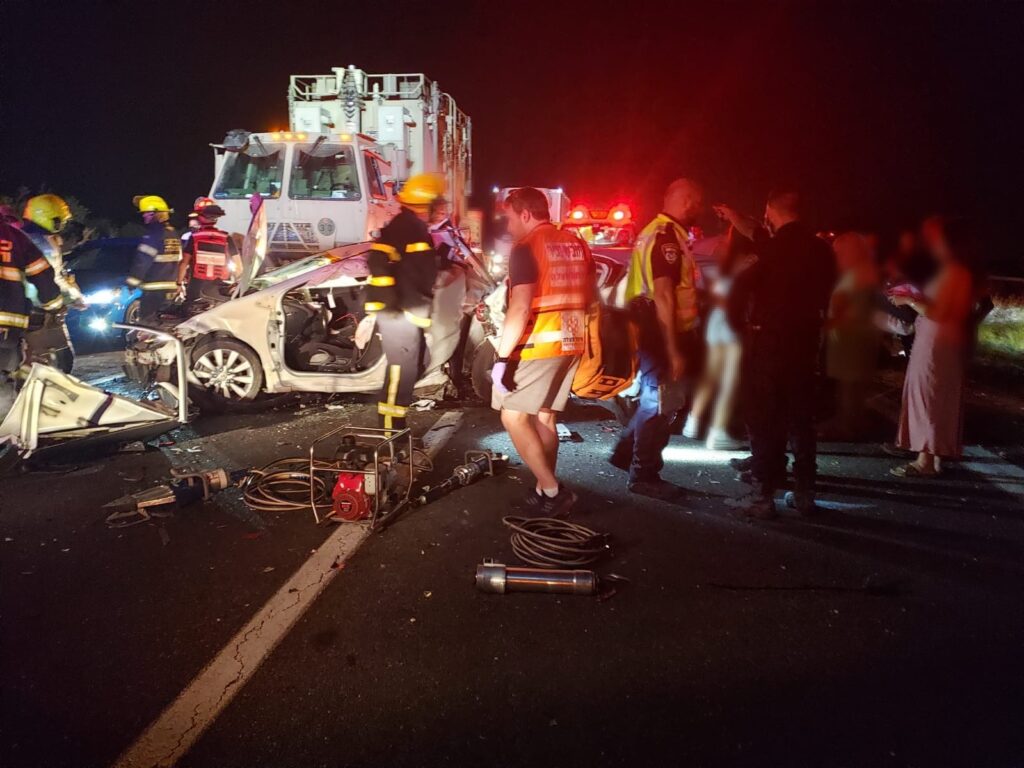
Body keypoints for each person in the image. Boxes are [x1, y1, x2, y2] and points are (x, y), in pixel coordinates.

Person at [714, 189, 836, 518]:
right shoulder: (822, 250)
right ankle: (805, 492)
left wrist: (738, 327)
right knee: (802, 420)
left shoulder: (768, 250)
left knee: (765, 419)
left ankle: (761, 495)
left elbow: (738, 289)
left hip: (768, 344)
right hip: (806, 345)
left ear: (770, 213)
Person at [491, 187, 593, 516]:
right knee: (545, 415)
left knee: (512, 415)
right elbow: (591, 292)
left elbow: (520, 307)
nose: (507, 226)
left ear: (525, 214)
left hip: (540, 342)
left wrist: (502, 358)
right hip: (572, 339)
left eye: (509, 218)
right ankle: (543, 489)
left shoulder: (526, 247)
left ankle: (553, 490)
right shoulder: (576, 242)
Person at [610, 178, 704, 500]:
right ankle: (644, 475)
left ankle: (626, 454)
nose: (700, 209)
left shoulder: (658, 231)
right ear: (687, 201)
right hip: (662, 332)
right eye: (697, 202)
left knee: (655, 398)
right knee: (660, 403)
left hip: (653, 329)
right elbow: (663, 294)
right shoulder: (666, 237)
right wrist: (674, 349)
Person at [888, 217, 980, 477]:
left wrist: (908, 300)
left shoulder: (954, 272)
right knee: (938, 395)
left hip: (936, 343)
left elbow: (939, 312)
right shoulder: (958, 271)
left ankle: (925, 460)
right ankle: (935, 455)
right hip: (941, 341)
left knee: (929, 396)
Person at [364, 173, 444, 432]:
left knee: (416, 365)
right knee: (400, 373)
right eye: (437, 204)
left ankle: (395, 428)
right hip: (398, 314)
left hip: (405, 313)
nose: (440, 209)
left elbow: (414, 266)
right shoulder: (405, 226)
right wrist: (391, 304)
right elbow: (377, 260)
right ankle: (390, 432)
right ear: (425, 204)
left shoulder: (414, 227)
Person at [682, 227, 752, 450]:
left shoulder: (721, 255)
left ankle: (693, 422)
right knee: (729, 381)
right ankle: (718, 432)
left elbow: (713, 292)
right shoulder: (749, 260)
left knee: (710, 377)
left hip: (715, 324)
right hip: (731, 325)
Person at [0, 220, 64, 413]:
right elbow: (42, 275)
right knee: (3, 379)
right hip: (6, 328)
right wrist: (55, 305)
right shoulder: (13, 237)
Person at [823, 232, 881, 439]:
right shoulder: (863, 271)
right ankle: (850, 421)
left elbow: (846, 307)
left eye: (839, 252)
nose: (836, 256)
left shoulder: (857, 274)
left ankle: (847, 426)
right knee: (851, 386)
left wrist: (827, 324)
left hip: (852, 338)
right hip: (855, 337)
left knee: (849, 386)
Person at [127, 195, 182, 324]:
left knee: (147, 325)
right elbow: (179, 259)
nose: (143, 216)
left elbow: (142, 262)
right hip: (170, 290)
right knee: (164, 325)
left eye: (146, 213)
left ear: (154, 214)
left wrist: (131, 283)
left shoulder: (153, 235)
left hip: (153, 291)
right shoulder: (173, 234)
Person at [177, 197, 237, 311]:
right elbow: (239, 266)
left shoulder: (194, 237)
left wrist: (178, 284)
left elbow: (184, 263)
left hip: (196, 287)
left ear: (200, 217)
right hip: (217, 288)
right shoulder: (226, 237)